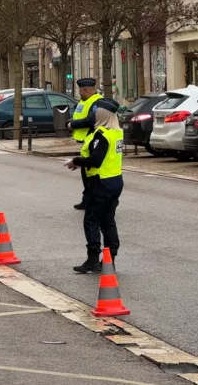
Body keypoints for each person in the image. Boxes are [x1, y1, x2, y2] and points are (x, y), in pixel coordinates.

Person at [66, 102, 124, 273]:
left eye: (96, 113)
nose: (94, 116)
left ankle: (92, 259)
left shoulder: (102, 135)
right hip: (115, 181)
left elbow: (96, 160)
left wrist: (75, 161)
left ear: (102, 116)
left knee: (91, 219)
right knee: (108, 220)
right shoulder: (117, 132)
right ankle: (109, 259)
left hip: (100, 182)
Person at [66, 78, 102, 210]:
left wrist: (72, 124)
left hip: (93, 140)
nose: (79, 93)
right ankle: (86, 200)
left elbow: (91, 120)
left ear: (86, 90)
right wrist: (70, 121)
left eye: (80, 91)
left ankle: (91, 201)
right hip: (85, 141)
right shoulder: (84, 101)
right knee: (85, 173)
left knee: (90, 172)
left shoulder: (96, 102)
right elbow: (77, 115)